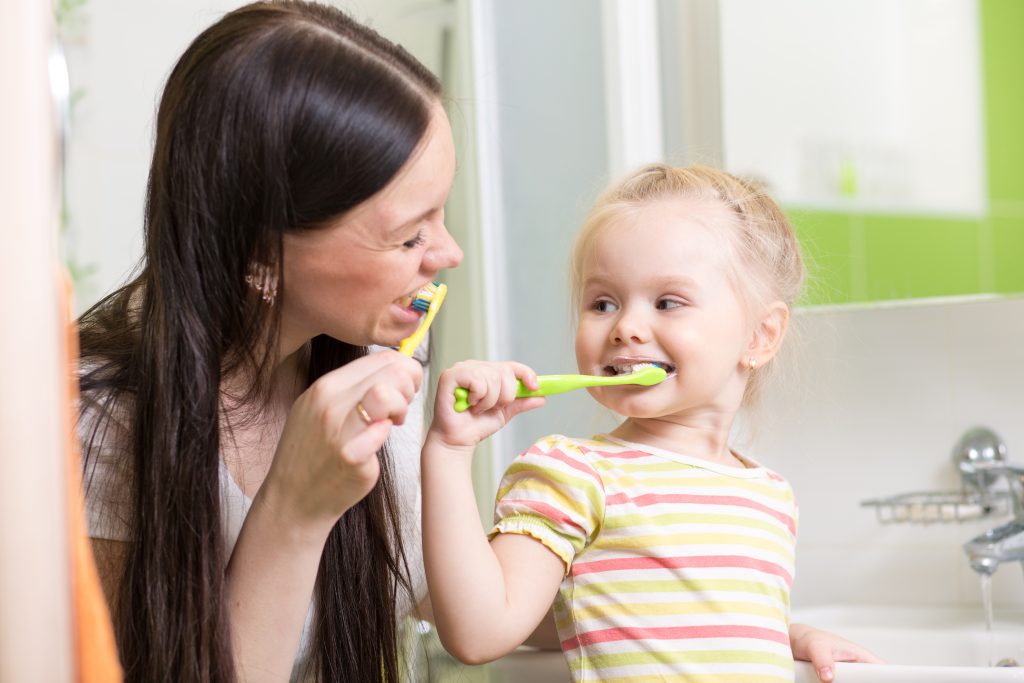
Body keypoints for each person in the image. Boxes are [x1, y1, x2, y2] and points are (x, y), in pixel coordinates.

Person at [76, 2, 463, 681]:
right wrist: (295, 508)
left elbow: (449, 602)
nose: (449, 253)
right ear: (260, 257)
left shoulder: (384, 358)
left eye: (443, 215)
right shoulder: (97, 423)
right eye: (411, 236)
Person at [422, 164, 882, 682]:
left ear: (760, 335)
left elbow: (641, 616)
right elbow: (482, 631)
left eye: (668, 302)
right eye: (603, 303)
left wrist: (789, 635)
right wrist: (448, 452)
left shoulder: (770, 496)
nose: (626, 328)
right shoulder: (573, 473)